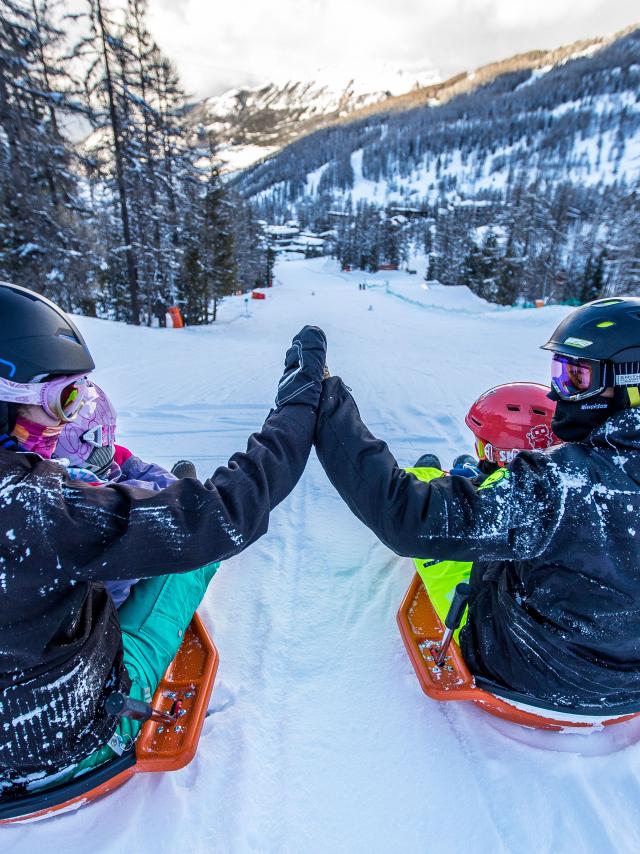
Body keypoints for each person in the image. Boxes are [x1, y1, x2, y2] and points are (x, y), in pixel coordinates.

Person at [0, 282, 326, 792]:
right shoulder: (40, 510)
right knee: (193, 558)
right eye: (65, 397)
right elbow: (223, 515)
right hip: (63, 747)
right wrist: (297, 409)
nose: (70, 417)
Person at [315, 297, 640, 714]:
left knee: (474, 550)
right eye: (558, 372)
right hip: (631, 688)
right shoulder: (561, 480)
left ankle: (457, 485)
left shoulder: (560, 483)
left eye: (576, 377)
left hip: (531, 676)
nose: (561, 393)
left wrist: (328, 404)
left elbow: (405, 518)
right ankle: (469, 484)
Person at [406, 383, 558, 641]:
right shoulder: (565, 492)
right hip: (543, 624)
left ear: (499, 451)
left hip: (478, 627)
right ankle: (471, 473)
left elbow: (401, 501)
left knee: (422, 482)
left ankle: (443, 475)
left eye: (482, 446)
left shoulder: (485, 506)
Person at [54, 381, 181, 607]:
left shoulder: (33, 478)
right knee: (188, 565)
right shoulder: (91, 507)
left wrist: (120, 459)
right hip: (102, 621)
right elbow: (167, 503)